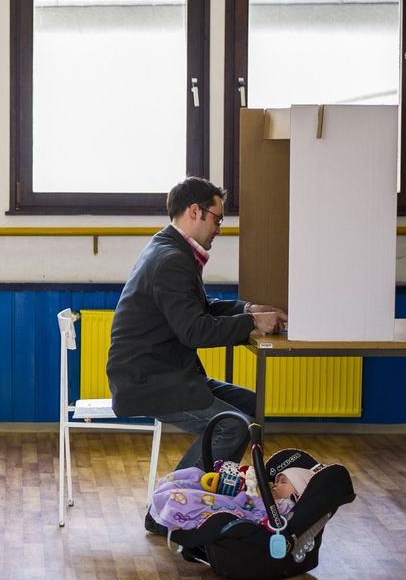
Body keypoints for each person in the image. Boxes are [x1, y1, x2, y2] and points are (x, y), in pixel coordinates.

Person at [104, 177, 287, 535]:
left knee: (252, 409)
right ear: (194, 212)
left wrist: (249, 309)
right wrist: (251, 323)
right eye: (217, 218)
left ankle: (212, 499)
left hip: (165, 372)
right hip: (149, 380)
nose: (220, 228)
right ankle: (167, 510)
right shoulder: (172, 258)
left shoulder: (168, 247)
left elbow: (199, 309)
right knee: (233, 425)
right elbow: (196, 331)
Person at [149, 465, 316, 532]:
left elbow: (265, 516)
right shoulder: (272, 495)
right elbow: (244, 498)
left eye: (283, 482)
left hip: (238, 515)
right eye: (277, 480)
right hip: (236, 502)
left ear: (297, 492)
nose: (275, 484)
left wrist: (257, 494)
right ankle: (168, 487)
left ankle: (172, 507)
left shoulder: (285, 507)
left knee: (193, 498)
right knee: (196, 474)